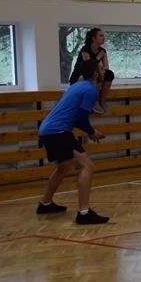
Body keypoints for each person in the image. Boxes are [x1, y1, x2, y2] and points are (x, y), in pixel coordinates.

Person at [36, 57, 109, 224]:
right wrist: (92, 132)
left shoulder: (78, 85)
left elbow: (77, 118)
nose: (104, 70)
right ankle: (84, 213)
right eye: (101, 68)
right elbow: (80, 119)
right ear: (95, 73)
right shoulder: (90, 90)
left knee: (63, 166)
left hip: (47, 130)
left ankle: (45, 203)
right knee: (87, 166)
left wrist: (90, 131)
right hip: (58, 132)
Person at [68, 27, 115, 114]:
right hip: (79, 76)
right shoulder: (85, 49)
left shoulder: (102, 51)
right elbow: (89, 67)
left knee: (109, 74)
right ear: (94, 38)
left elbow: (106, 67)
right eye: (100, 35)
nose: (103, 38)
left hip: (95, 74)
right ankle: (94, 101)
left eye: (103, 35)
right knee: (93, 73)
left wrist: (102, 71)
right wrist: (98, 57)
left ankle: (101, 101)